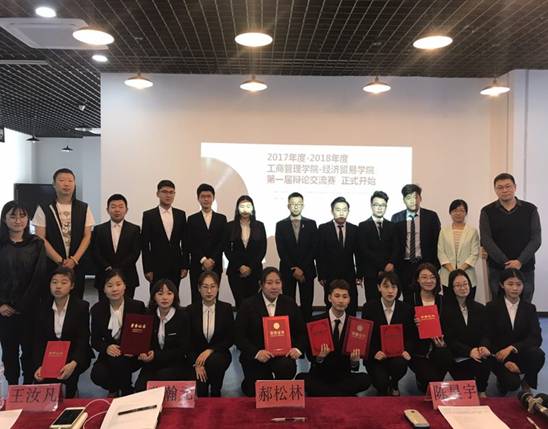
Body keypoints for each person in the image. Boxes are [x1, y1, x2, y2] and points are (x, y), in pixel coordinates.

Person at [234, 267, 306, 397]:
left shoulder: (289, 303)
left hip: (282, 356)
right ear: (261, 284)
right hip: (257, 356)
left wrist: (297, 349)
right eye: (269, 283)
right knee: (256, 392)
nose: (274, 287)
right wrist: (256, 353)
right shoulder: (248, 305)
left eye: (278, 282)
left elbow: (301, 332)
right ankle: (250, 381)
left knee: (286, 368)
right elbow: (239, 336)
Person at [0, 201, 47, 385]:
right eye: (12, 216)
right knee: (9, 352)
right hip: (4, 311)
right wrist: (2, 305)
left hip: (30, 309)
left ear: (28, 219)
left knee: (30, 351)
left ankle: (28, 386)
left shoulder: (36, 244)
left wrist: (21, 306)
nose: (18, 220)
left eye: (22, 216)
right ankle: (12, 386)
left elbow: (39, 277)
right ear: (4, 219)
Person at [297, 280, 370, 396]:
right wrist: (320, 357)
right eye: (337, 296)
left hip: (343, 376)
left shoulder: (354, 325)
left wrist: (354, 361)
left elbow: (354, 368)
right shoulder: (316, 322)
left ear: (349, 300)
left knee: (365, 379)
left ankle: (327, 393)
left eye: (345, 297)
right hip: (321, 375)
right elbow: (311, 357)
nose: (341, 300)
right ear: (329, 298)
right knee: (300, 378)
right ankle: (338, 394)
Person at [32, 168, 95, 298]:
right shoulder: (44, 208)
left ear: (74, 184)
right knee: (51, 299)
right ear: (54, 184)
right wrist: (60, 261)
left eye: (70, 181)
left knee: (76, 299)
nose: (66, 184)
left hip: (76, 265)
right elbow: (40, 237)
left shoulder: (84, 208)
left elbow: (87, 236)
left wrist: (74, 260)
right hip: (52, 265)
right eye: (61, 180)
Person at [480, 173, 541, 303]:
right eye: (500, 187)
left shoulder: (530, 209)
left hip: (525, 266)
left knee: (525, 302)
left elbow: (536, 239)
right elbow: (486, 240)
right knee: (498, 303)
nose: (504, 190)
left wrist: (520, 261)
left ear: (515, 187)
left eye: (508, 186)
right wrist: (505, 262)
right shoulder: (487, 211)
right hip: (497, 268)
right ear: (495, 190)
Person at [33, 267, 93, 398]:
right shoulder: (42, 307)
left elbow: (83, 339)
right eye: (54, 282)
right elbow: (38, 340)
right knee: (44, 382)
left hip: (73, 353)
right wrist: (39, 365)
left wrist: (73, 363)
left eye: (64, 282)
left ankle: (72, 392)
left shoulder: (81, 307)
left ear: (72, 286)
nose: (58, 286)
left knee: (70, 379)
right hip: (50, 355)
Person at [486, 269, 544, 394]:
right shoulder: (492, 307)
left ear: (523, 285)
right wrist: (505, 361)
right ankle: (503, 380)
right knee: (511, 384)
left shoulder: (529, 308)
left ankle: (526, 381)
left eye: (519, 284)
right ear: (502, 285)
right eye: (510, 284)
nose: (515, 288)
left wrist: (513, 347)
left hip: (521, 351)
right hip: (500, 355)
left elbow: (536, 337)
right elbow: (488, 337)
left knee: (538, 355)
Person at [90, 269, 146, 396]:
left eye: (118, 284)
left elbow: (143, 334)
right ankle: (115, 388)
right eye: (109, 286)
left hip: (132, 355)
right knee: (97, 374)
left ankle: (126, 390)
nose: (114, 289)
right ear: (104, 289)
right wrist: (107, 347)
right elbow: (94, 341)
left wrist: (135, 349)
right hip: (110, 354)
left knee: (120, 361)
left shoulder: (137, 306)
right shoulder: (97, 309)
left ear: (125, 286)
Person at [135, 279, 193, 391]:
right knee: (140, 389)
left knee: (162, 378)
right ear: (154, 297)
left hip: (175, 363)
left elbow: (183, 349)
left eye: (169, 293)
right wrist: (143, 352)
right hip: (152, 363)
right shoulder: (148, 315)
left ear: (174, 296)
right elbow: (143, 341)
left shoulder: (183, 317)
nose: (165, 298)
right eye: (160, 294)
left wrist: (156, 355)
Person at [362, 272, 414, 396]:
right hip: (377, 356)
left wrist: (407, 350)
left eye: (394, 287)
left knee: (400, 364)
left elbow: (411, 335)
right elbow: (365, 336)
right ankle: (383, 384)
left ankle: (394, 382)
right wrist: (374, 352)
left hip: (397, 356)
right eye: (386, 286)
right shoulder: (369, 308)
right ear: (379, 287)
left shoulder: (406, 309)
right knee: (381, 384)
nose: (390, 291)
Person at [442, 269, 491, 396]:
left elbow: (486, 333)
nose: (463, 288)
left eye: (465, 284)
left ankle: (482, 390)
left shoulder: (480, 308)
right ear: (452, 288)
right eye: (458, 285)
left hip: (477, 351)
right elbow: (449, 339)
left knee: (486, 361)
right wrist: (469, 351)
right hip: (458, 354)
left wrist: (483, 346)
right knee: (466, 384)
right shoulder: (445, 310)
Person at [186, 271, 234, 397]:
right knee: (201, 392)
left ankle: (216, 389)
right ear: (199, 288)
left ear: (218, 288)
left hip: (219, 354)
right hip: (196, 356)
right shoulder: (190, 310)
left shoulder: (226, 308)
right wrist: (196, 364)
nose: (209, 291)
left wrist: (210, 350)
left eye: (213, 286)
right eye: (205, 287)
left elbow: (230, 338)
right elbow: (187, 341)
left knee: (215, 362)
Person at [391, 184, 441, 303]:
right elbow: (394, 243)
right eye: (408, 198)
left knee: (425, 297)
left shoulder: (431, 216)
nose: (412, 201)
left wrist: (435, 266)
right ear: (404, 200)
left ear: (420, 198)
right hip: (404, 266)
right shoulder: (396, 218)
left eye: (415, 197)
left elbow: (437, 242)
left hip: (425, 264)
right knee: (407, 298)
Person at [409, 263, 452, 392]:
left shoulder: (443, 300)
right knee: (429, 384)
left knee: (446, 358)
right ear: (417, 279)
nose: (428, 281)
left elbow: (449, 326)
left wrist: (443, 343)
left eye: (432, 277)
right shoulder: (410, 300)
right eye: (424, 277)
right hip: (418, 351)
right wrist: (414, 324)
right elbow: (405, 330)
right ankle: (426, 381)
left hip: (439, 347)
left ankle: (435, 382)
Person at [275, 192, 318, 322]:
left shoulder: (311, 223)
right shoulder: (280, 225)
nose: (296, 206)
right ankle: (291, 330)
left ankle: (307, 330)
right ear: (288, 206)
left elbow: (314, 248)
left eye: (299, 204)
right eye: (293, 204)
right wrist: (294, 269)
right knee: (288, 304)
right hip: (288, 270)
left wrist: (302, 268)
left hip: (307, 271)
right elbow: (281, 250)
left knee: (307, 304)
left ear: (303, 205)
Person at [141, 180, 189, 291]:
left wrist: (185, 265)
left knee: (174, 294)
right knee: (156, 295)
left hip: (176, 265)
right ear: (157, 194)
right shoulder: (149, 215)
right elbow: (144, 244)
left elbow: (185, 242)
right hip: (156, 266)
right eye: (164, 192)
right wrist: (147, 268)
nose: (168, 195)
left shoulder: (180, 215)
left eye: (171, 192)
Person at [92, 194, 141, 300]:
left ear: (126, 210)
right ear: (107, 210)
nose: (117, 210)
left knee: (128, 306)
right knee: (104, 306)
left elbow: (135, 252)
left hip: (128, 275)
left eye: (120, 206)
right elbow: (95, 251)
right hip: (104, 275)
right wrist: (107, 266)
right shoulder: (99, 229)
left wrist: (119, 267)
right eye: (113, 207)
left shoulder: (134, 229)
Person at [317, 197, 359, 315]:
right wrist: (321, 274)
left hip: (349, 274)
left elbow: (358, 253)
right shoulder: (323, 228)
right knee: (330, 303)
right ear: (332, 211)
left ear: (348, 211)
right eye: (338, 209)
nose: (341, 213)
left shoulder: (354, 229)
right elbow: (319, 253)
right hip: (330, 274)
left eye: (344, 210)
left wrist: (359, 273)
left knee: (351, 304)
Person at [224, 195, 267, 308]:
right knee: (240, 303)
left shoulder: (259, 226)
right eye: (242, 206)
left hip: (254, 271)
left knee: (253, 304)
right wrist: (240, 266)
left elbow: (262, 250)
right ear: (237, 208)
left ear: (252, 208)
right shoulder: (230, 226)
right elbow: (227, 250)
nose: (245, 209)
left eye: (248, 206)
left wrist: (250, 267)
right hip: (235, 271)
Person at [187, 184, 227, 304]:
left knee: (214, 296)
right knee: (196, 296)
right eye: (203, 196)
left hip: (216, 264)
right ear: (198, 198)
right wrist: (203, 260)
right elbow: (190, 242)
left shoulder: (221, 218)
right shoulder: (192, 219)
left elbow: (223, 242)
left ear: (213, 198)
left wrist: (212, 260)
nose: (206, 199)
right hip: (197, 265)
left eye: (209, 196)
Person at [357, 191, 399, 303]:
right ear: (371, 206)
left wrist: (391, 263)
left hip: (390, 271)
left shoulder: (392, 226)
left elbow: (396, 247)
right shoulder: (363, 226)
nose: (379, 208)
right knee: (372, 302)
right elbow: (364, 250)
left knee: (390, 302)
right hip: (371, 272)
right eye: (376, 205)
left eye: (382, 205)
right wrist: (383, 266)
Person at [438, 199, 480, 297]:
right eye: (455, 210)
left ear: (466, 213)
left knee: (468, 303)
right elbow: (441, 252)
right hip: (447, 275)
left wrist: (460, 270)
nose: (458, 213)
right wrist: (453, 271)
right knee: (449, 303)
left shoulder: (472, 231)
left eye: (461, 210)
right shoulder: (444, 231)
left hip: (467, 274)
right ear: (450, 212)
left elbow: (474, 253)